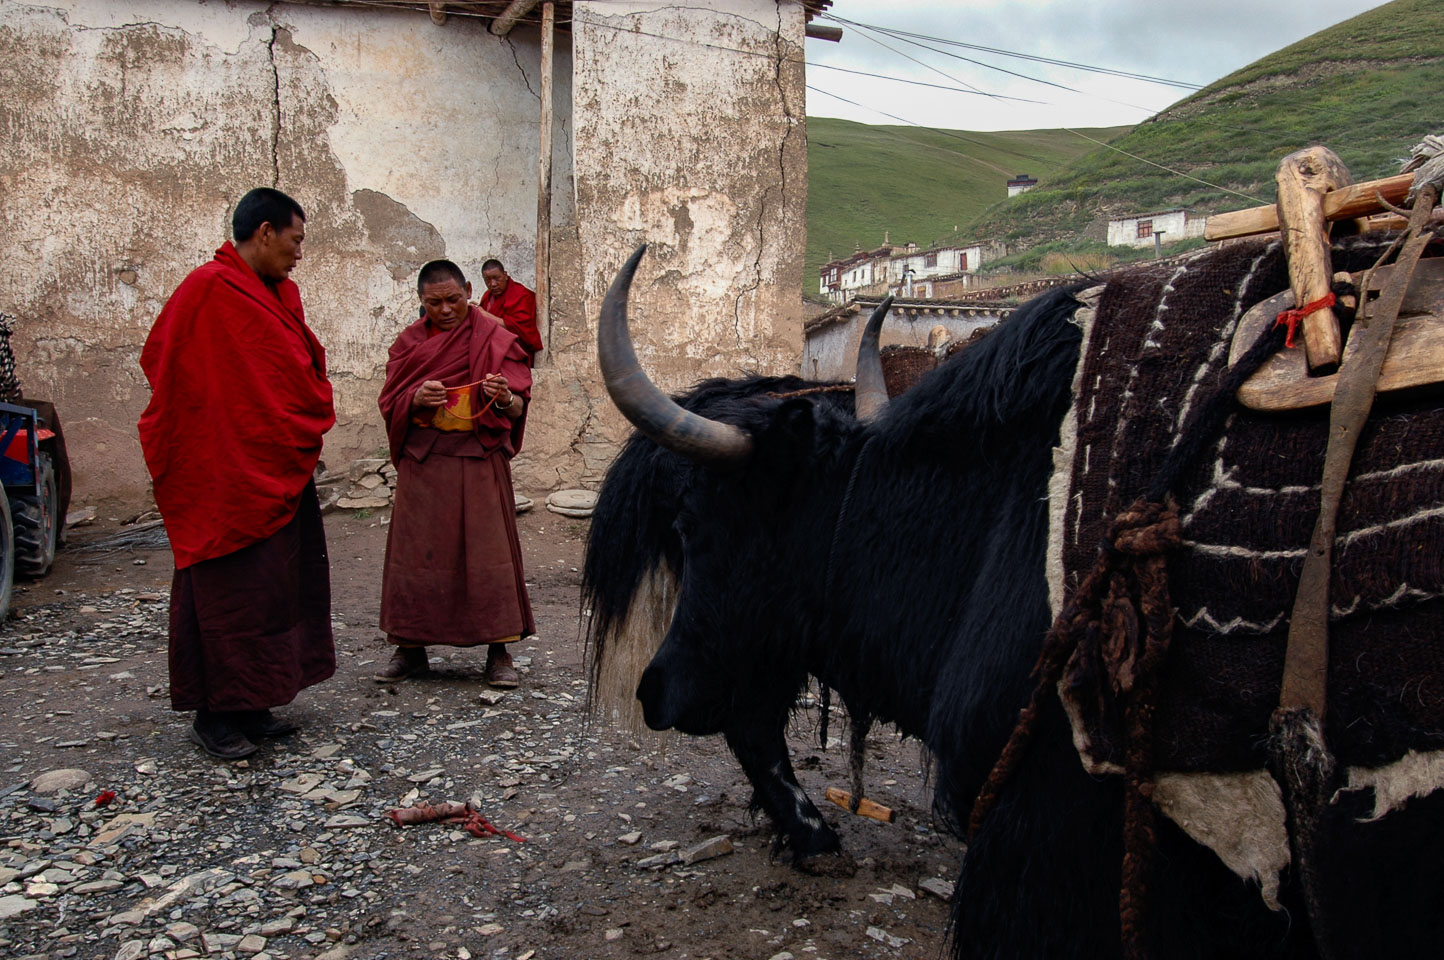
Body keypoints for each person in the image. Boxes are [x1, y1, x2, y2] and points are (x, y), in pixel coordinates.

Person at [138, 187, 336, 761]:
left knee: (275, 588)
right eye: (296, 240)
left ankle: (255, 702)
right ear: (266, 231)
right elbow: (169, 367)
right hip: (224, 472)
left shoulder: (275, 294)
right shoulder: (207, 289)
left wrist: (279, 429)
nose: (299, 252)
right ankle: (214, 714)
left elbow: (291, 373)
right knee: (229, 591)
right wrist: (226, 428)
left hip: (274, 465)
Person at [374, 259, 534, 686]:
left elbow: (518, 406)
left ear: (468, 290)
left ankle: (499, 651)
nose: (445, 310)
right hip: (426, 462)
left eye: (454, 300)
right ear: (421, 302)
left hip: (479, 457)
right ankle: (410, 649)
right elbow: (390, 402)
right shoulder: (408, 344)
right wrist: (415, 398)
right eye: (434, 303)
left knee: (490, 556)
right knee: (416, 557)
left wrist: (501, 397)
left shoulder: (496, 338)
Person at [479, 259, 542, 365]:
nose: (493, 284)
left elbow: (521, 330)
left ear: (505, 275)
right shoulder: (487, 296)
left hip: (516, 354)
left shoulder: (521, 295)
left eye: (497, 278)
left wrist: (486, 315)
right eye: (487, 280)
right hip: (492, 353)